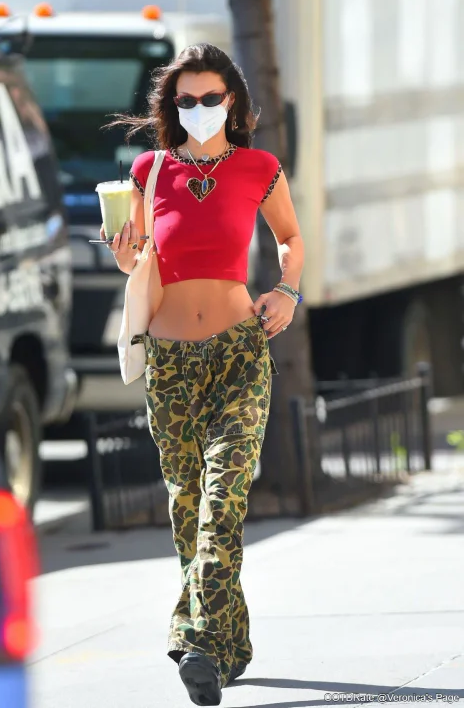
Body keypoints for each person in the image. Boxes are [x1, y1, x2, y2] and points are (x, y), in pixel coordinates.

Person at [101, 43, 304, 706]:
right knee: (188, 507)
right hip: (169, 364)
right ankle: (229, 645)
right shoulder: (150, 170)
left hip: (239, 353)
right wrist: (124, 256)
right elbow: (136, 258)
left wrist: (287, 289)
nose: (197, 108)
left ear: (233, 100)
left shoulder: (259, 167)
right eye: (185, 100)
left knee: (222, 502)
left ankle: (195, 641)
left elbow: (290, 239)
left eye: (210, 97)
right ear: (172, 105)